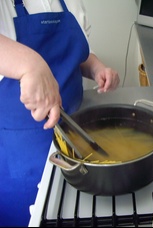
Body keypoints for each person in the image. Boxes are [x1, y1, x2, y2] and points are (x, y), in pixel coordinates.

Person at [0, 0, 120, 226]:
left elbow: (78, 53)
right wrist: (31, 64)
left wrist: (96, 68)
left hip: (75, 137)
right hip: (22, 159)